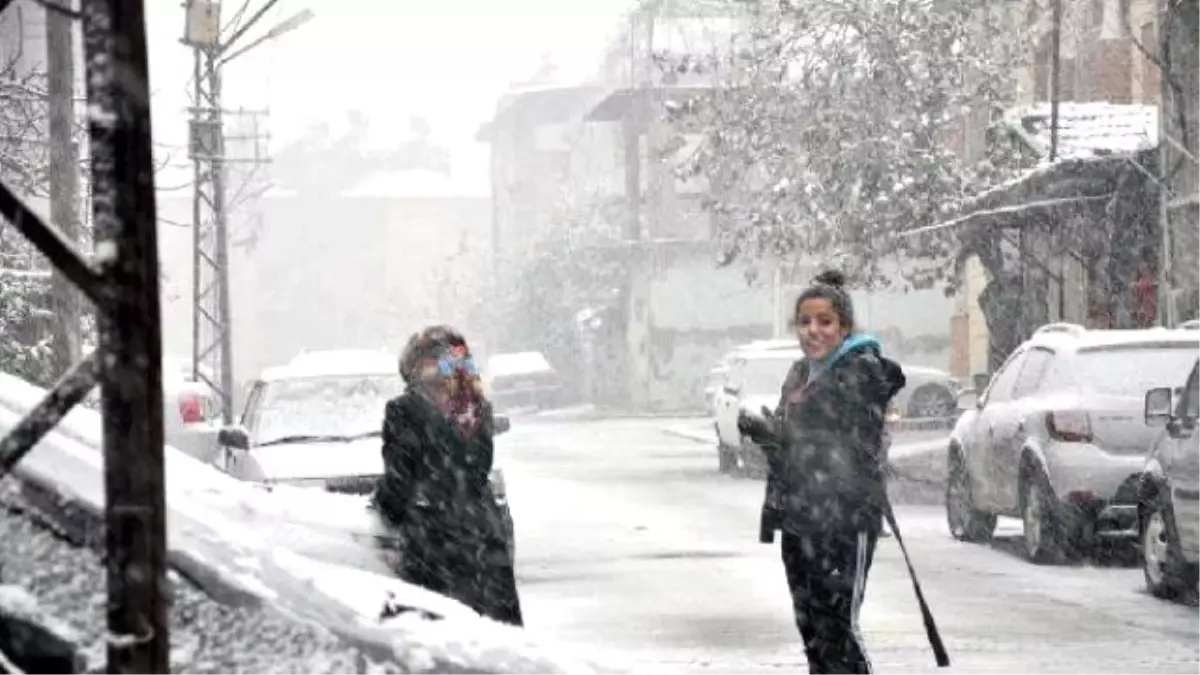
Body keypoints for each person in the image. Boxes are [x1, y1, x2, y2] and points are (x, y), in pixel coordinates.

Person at [740, 270, 905, 675]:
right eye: (805, 321)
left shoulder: (861, 373)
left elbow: (842, 445)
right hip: (801, 520)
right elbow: (794, 450)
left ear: (844, 327)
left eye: (825, 322)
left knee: (837, 632)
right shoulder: (799, 374)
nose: (813, 331)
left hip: (843, 520)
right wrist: (771, 438)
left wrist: (783, 435)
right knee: (812, 631)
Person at [372, 325, 523, 626]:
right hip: (483, 537)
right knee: (495, 639)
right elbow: (477, 468)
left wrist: (384, 506)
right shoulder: (475, 408)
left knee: (431, 639)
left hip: (433, 541)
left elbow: (399, 481)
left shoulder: (404, 409)